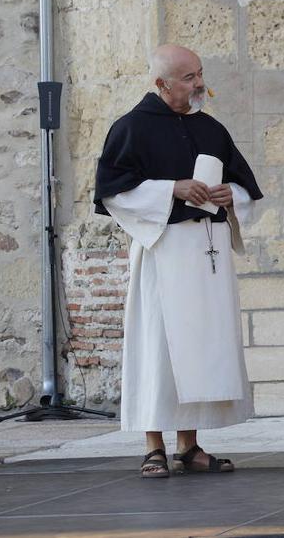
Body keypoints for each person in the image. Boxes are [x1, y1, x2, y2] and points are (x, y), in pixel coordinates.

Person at [94, 44, 263, 478]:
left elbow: (245, 188)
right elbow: (113, 192)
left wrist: (231, 196)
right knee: (158, 348)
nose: (199, 84)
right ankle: (154, 446)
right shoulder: (131, 127)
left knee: (198, 349)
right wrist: (173, 189)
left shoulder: (211, 128)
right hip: (162, 249)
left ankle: (189, 445)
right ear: (161, 84)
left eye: (199, 74)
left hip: (207, 251)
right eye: (188, 78)